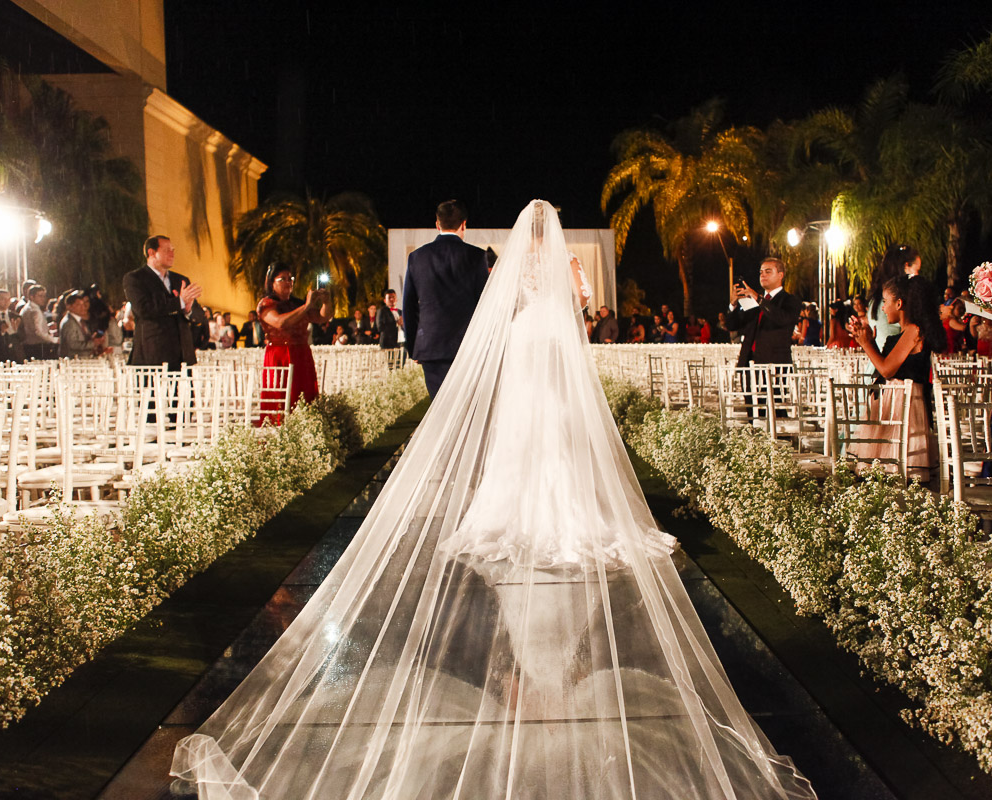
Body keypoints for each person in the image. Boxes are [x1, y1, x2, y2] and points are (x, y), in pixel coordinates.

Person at [171, 200, 816, 800]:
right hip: (551, 346)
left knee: (524, 432)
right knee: (556, 433)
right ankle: (558, 507)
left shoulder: (493, 264)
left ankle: (516, 505)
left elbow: (494, 311)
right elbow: (581, 313)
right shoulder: (556, 266)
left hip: (514, 346)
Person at [849, 275, 946, 480]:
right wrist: (866, 341)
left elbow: (887, 370)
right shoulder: (900, 334)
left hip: (904, 407)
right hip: (892, 403)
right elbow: (885, 365)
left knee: (897, 471)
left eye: (885, 302)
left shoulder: (914, 330)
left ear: (899, 303)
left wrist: (867, 344)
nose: (883, 308)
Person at [403, 200, 489, 398]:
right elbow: (483, 304)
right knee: (466, 408)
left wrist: (414, 346)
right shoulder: (476, 256)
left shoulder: (417, 257)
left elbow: (408, 306)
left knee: (440, 409)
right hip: (468, 347)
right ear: (464, 224)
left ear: (437, 224)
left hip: (431, 346)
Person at [257, 263, 330, 422]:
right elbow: (280, 322)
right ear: (272, 283)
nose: (288, 282)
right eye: (282, 279)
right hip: (279, 355)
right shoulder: (266, 304)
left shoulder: (297, 303)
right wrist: (306, 306)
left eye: (290, 278)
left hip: (302, 354)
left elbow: (322, 317)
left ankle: (306, 428)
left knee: (304, 392)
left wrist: (327, 302)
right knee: (281, 395)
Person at [124, 235, 205, 371]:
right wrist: (179, 302)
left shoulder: (181, 280)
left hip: (183, 357)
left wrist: (189, 309)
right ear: (151, 253)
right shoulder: (135, 279)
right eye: (167, 250)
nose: (172, 253)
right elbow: (144, 309)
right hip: (153, 355)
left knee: (183, 392)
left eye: (173, 249)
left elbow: (199, 315)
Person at [726, 257, 803, 366]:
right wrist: (733, 305)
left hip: (775, 365)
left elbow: (782, 319)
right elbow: (732, 326)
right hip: (748, 364)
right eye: (761, 272)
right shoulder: (754, 300)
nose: (763, 275)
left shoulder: (790, 300)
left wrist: (759, 299)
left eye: (768, 272)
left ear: (780, 275)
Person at [865, 244, 918, 354]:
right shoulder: (893, 303)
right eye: (916, 270)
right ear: (906, 267)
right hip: (891, 364)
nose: (917, 275)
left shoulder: (875, 300)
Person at [58, 291, 109, 358]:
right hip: (73, 361)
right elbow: (72, 344)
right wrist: (93, 343)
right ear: (69, 307)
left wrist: (92, 339)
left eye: (83, 304)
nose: (83, 307)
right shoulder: (69, 322)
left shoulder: (78, 320)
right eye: (79, 305)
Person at [20, 285, 58, 360]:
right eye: (40, 296)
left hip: (29, 346)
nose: (43, 298)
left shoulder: (26, 308)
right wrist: (54, 340)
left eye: (44, 296)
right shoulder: (35, 311)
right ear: (31, 297)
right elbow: (39, 332)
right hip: (38, 347)